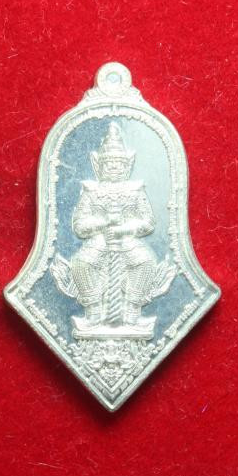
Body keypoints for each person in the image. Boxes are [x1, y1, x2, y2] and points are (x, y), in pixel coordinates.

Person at [70, 122, 156, 328]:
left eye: (119, 163)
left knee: (145, 263)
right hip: (99, 240)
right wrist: (103, 223)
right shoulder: (91, 191)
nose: (115, 168)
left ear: (127, 166)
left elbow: (148, 222)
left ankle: (132, 312)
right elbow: (80, 225)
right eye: (109, 163)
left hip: (127, 240)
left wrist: (125, 229)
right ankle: (93, 312)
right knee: (81, 264)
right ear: (99, 166)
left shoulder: (135, 191)